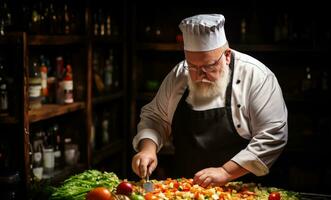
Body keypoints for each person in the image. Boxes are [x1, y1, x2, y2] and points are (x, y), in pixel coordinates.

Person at [132, 14, 288, 187]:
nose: (200, 75)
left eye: (209, 66)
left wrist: (226, 172)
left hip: (241, 189)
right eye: (193, 66)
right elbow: (156, 118)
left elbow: (273, 134)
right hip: (185, 190)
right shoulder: (179, 74)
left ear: (227, 56)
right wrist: (148, 149)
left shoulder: (257, 76)